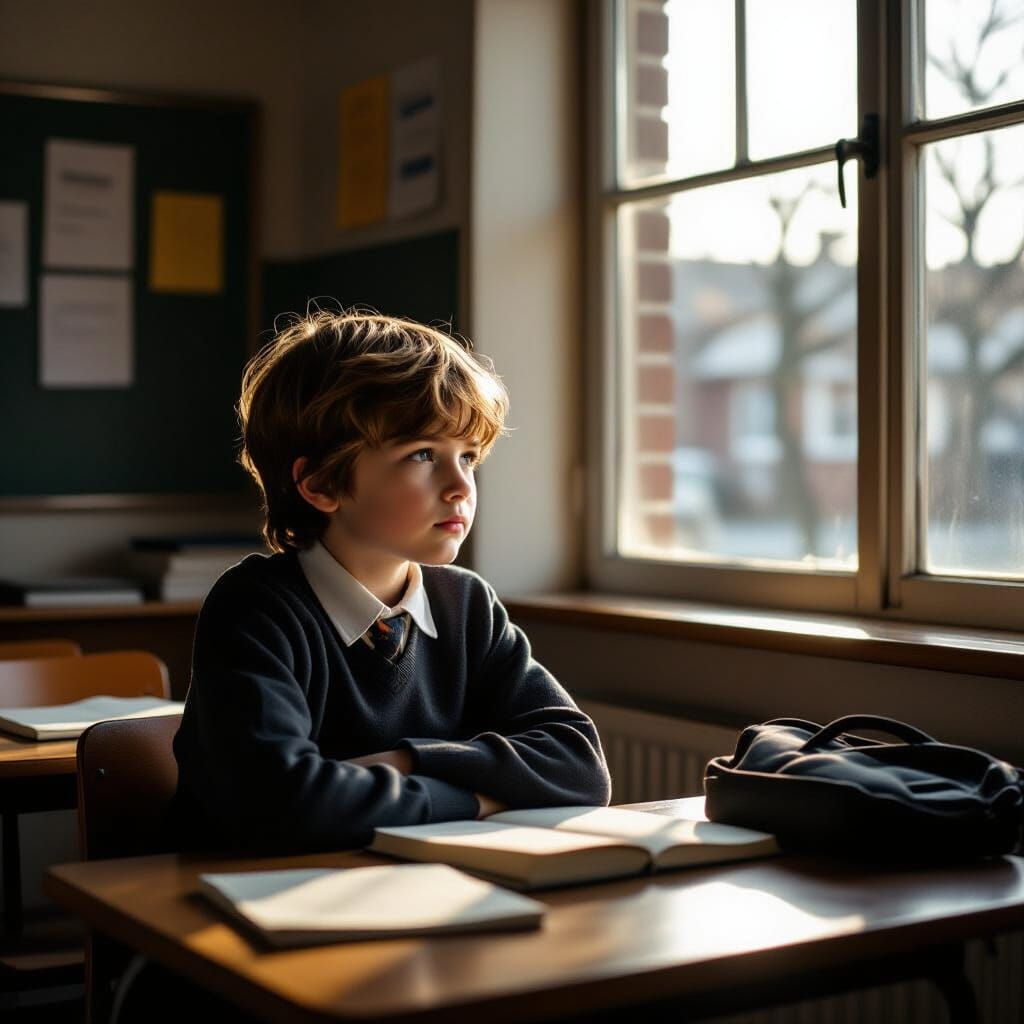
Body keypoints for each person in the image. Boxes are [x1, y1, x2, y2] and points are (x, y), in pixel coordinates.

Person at [171, 309, 611, 855]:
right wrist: (473, 799)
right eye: (423, 455)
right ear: (320, 484)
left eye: (468, 456)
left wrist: (406, 761)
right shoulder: (256, 608)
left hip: (413, 886)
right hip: (248, 892)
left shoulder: (465, 605)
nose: (461, 486)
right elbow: (284, 804)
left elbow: (579, 766)